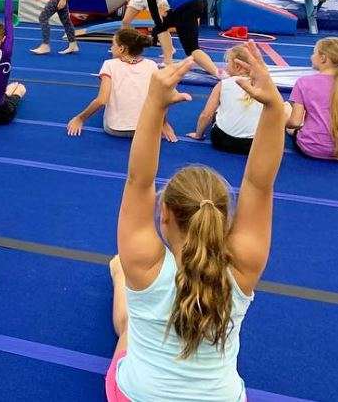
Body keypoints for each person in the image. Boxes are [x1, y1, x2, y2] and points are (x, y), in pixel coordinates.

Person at [106, 45, 287, 400]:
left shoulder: (143, 263)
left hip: (137, 395)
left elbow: (138, 181)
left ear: (165, 214)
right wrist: (273, 108)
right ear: (224, 218)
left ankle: (117, 277)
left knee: (128, 327)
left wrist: (155, 102)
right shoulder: (242, 266)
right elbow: (259, 184)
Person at [67, 28, 177, 140]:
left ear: (121, 48)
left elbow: (101, 100)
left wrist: (80, 118)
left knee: (109, 103)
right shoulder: (152, 65)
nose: (111, 48)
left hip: (116, 129)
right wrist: (163, 123)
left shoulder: (109, 65)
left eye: (113, 44)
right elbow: (161, 98)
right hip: (148, 128)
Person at [186, 45, 285, 154]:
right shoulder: (265, 86)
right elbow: (277, 113)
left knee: (218, 111)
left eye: (228, 63)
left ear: (238, 66)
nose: (225, 67)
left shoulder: (223, 84)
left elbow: (206, 114)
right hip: (253, 144)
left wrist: (198, 134)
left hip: (220, 140)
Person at [285, 36, 337, 160]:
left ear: (323, 58)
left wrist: (283, 124)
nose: (311, 57)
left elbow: (295, 122)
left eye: (314, 53)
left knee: (285, 109)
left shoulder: (304, 83)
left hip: (313, 147)